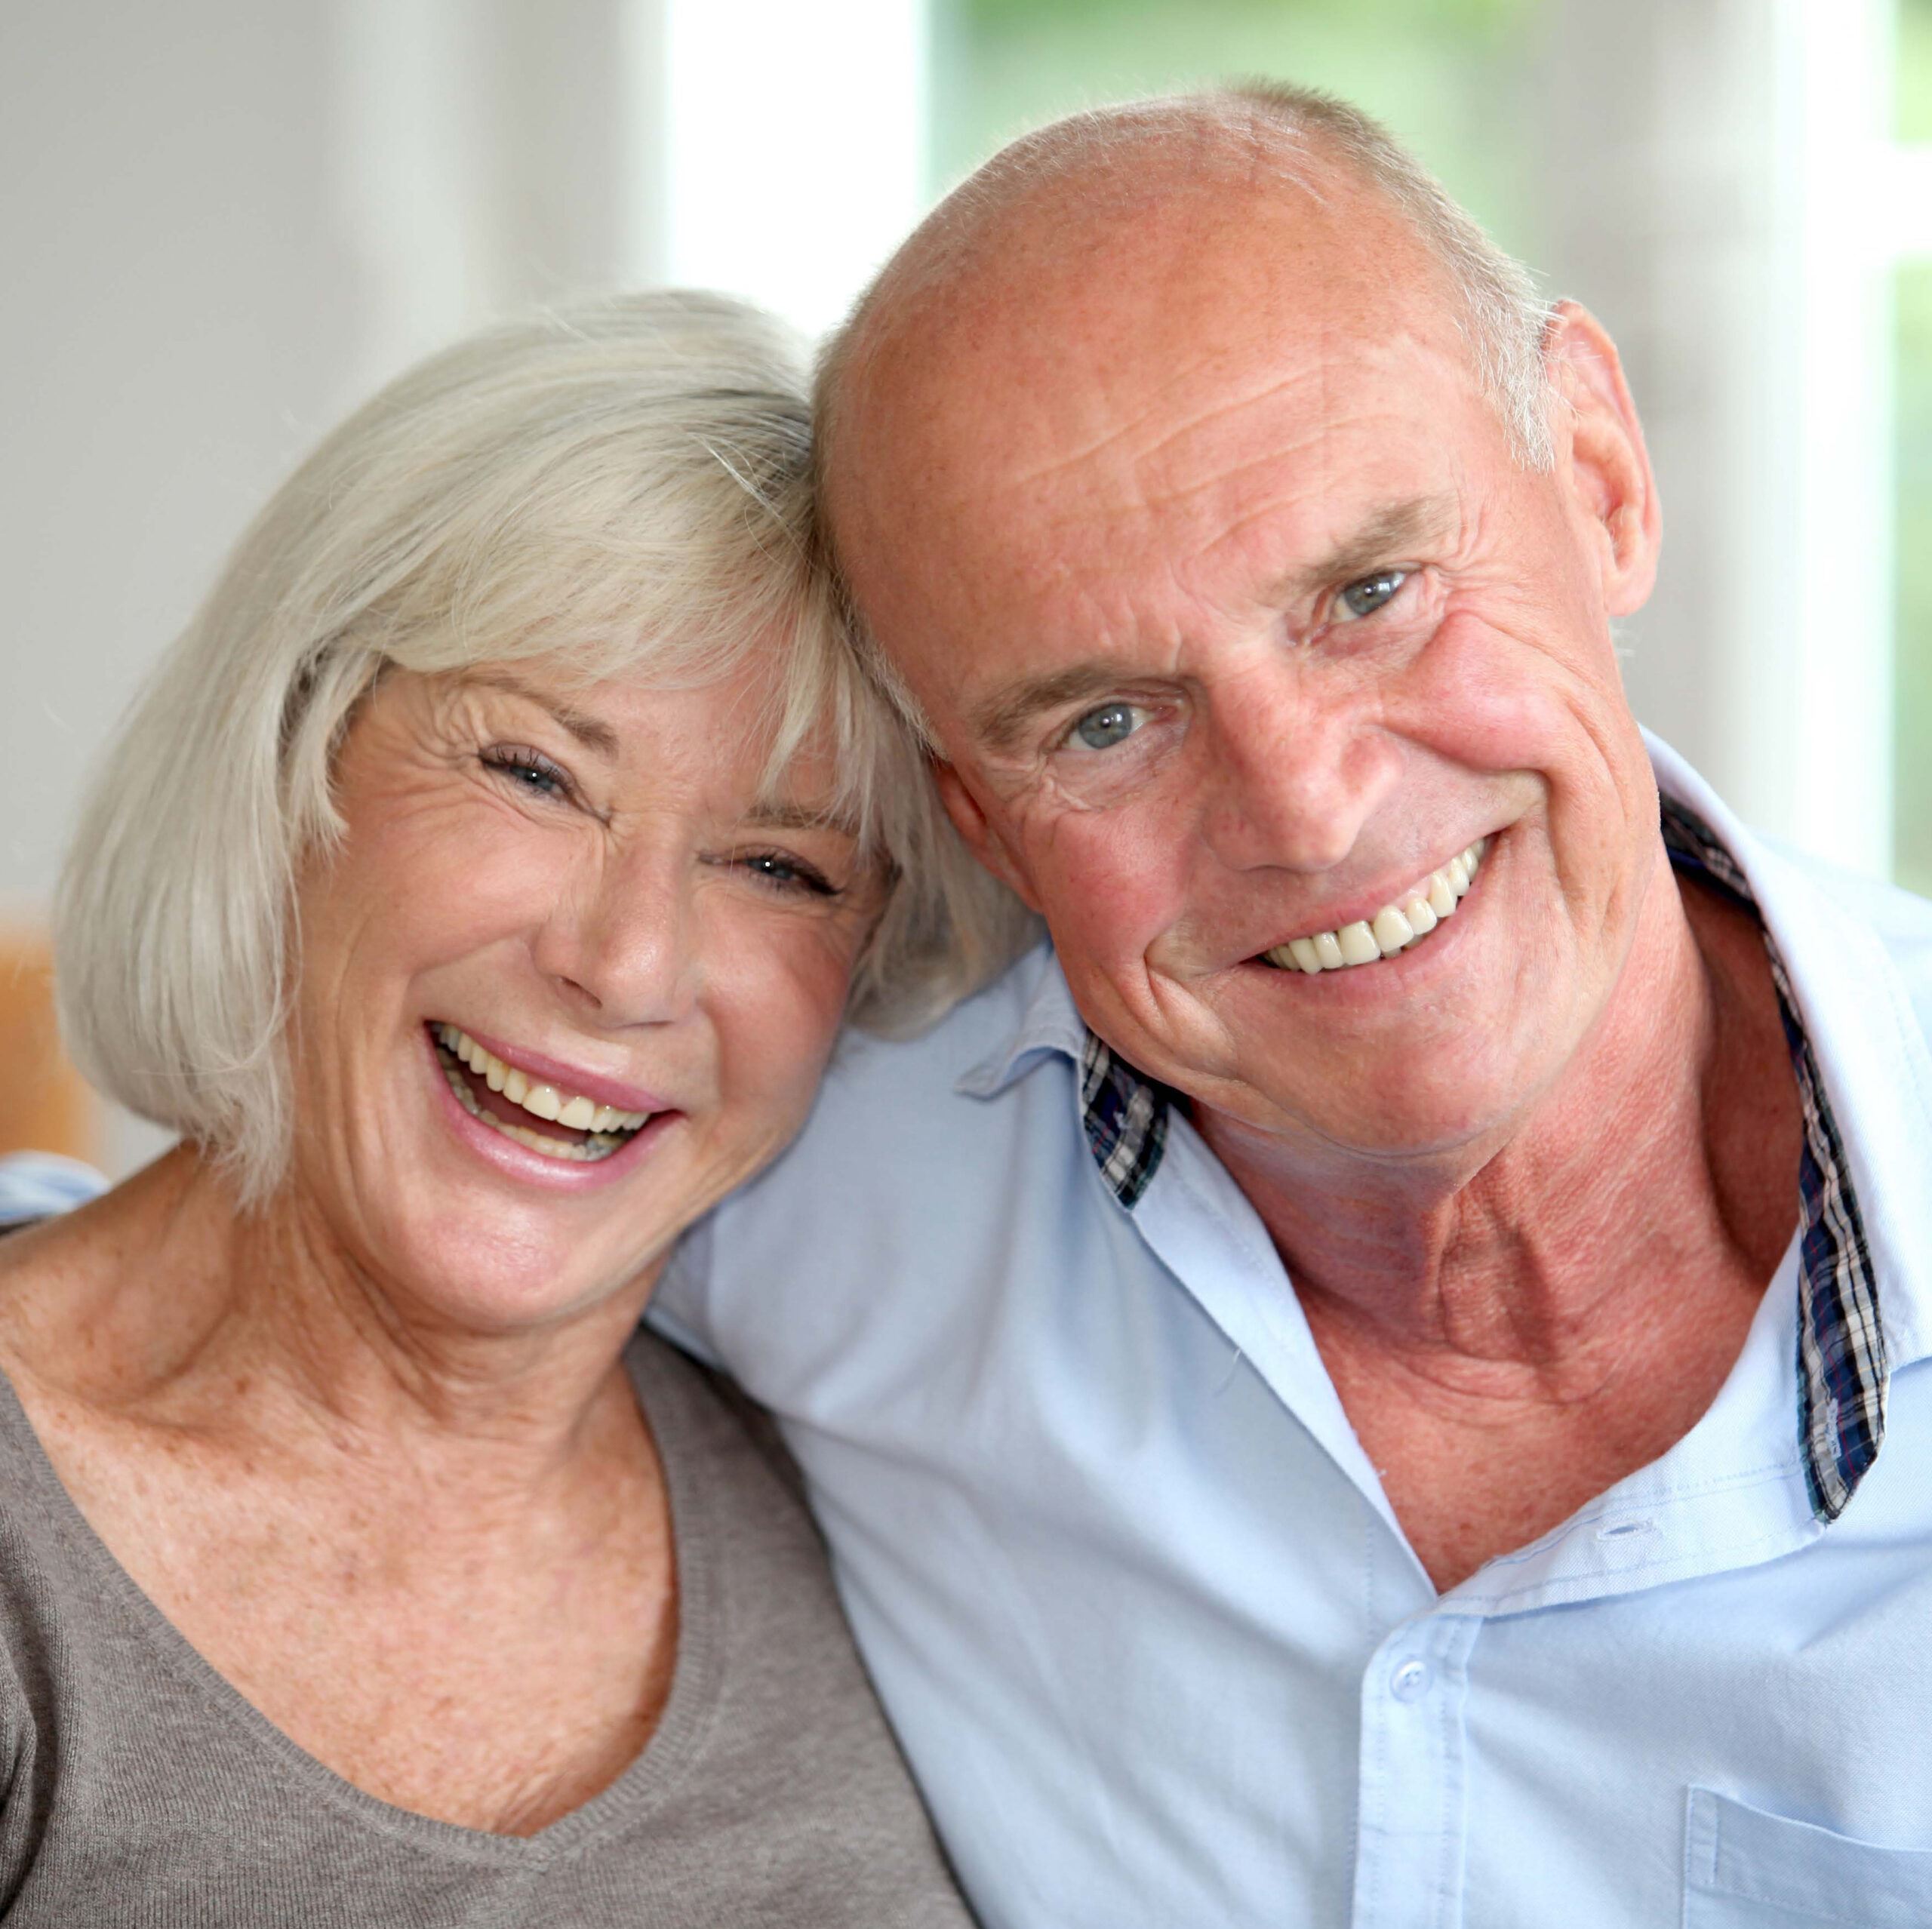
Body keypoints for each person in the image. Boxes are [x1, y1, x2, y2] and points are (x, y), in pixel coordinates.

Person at [651, 86, 1932, 1926]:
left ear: (1597, 479)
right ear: (980, 820)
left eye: (1371, 592)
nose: (1305, 810)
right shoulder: (814, 1194)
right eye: (1102, 722)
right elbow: (255, 1308)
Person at [0, 291, 1021, 1924]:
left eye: (778, 866)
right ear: (292, 759)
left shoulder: (874, 1493)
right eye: (536, 774)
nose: (625, 965)